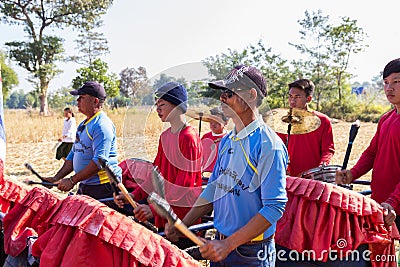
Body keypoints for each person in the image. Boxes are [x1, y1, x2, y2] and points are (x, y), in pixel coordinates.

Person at [166, 65, 288, 266]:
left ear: (251, 94)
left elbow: (274, 207)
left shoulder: (269, 145)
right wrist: (183, 224)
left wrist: (229, 244)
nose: (222, 98)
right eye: (222, 92)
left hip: (250, 253)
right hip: (221, 245)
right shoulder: (227, 140)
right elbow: (214, 188)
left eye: (229, 93)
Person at [114, 81, 203, 248]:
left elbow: (185, 185)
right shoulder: (165, 136)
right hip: (165, 210)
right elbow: (155, 173)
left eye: (162, 104)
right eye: (156, 105)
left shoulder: (188, 137)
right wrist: (134, 195)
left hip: (182, 213)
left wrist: (153, 210)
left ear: (177, 106)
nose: (157, 109)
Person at [336, 58, 400, 229]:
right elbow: (372, 153)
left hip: (394, 204)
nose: (389, 88)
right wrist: (352, 173)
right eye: (386, 83)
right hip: (383, 203)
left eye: (396, 82)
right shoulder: (386, 118)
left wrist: (394, 200)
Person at [44, 81, 121, 200]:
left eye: (82, 97)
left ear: (95, 101)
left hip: (103, 186)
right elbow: (73, 154)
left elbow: (99, 162)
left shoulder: (101, 125)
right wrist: (56, 178)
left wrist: (72, 180)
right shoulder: (83, 125)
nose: (77, 101)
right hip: (86, 184)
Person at [277, 79, 335, 177]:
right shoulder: (283, 121)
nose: (292, 101)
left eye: (297, 97)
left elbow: (328, 150)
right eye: (290, 96)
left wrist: (320, 170)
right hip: (290, 177)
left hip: (314, 177)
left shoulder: (323, 121)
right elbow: (279, 148)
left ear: (308, 99)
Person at [201, 107, 229, 174]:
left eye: (217, 121)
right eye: (211, 121)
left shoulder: (229, 139)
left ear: (226, 122)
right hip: (203, 175)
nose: (213, 124)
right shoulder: (205, 137)